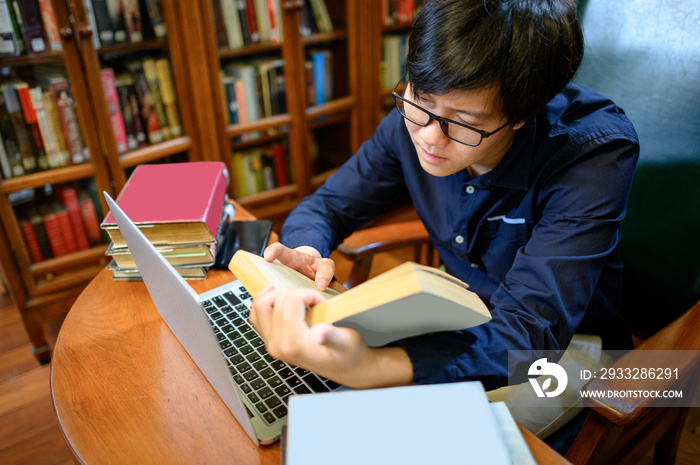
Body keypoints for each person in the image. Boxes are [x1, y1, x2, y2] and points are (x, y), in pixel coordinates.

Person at [249, 0, 639, 391]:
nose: (430, 137)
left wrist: (374, 367)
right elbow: (329, 206)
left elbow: (530, 336)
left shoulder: (594, 155)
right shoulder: (417, 119)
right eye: (421, 98)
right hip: (459, 313)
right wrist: (308, 252)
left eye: (464, 123)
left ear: (522, 114)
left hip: (563, 351)